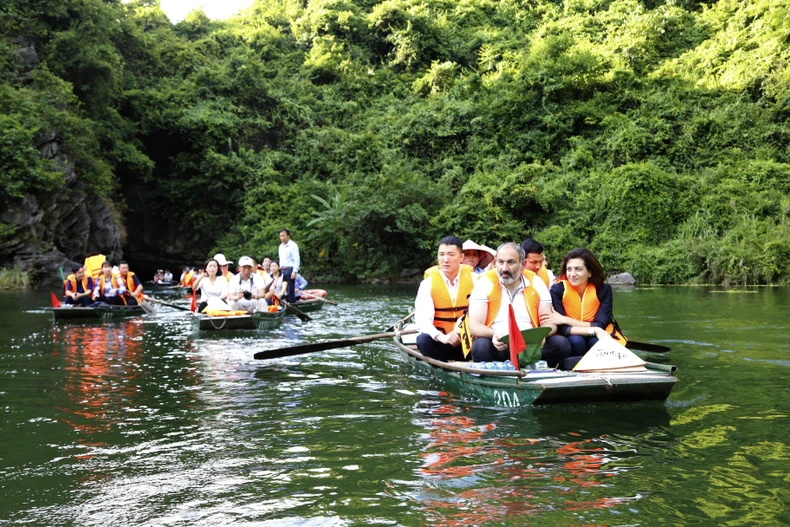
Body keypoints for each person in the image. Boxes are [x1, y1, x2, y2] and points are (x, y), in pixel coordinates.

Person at [467, 242, 571, 368]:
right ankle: (495, 377)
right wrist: (493, 334)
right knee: (481, 346)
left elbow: (550, 322)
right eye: (500, 262)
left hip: (530, 346)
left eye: (511, 262)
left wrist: (541, 335)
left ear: (523, 265)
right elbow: (474, 325)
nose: (504, 268)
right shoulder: (485, 282)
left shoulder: (536, 282)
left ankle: (538, 373)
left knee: (561, 344)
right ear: (495, 263)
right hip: (499, 344)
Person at [540, 247, 625, 359]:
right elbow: (563, 329)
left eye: (578, 269)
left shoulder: (604, 289)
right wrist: (594, 330)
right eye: (569, 269)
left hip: (600, 332)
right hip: (573, 334)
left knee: (597, 342)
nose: (572, 274)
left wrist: (564, 319)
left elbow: (600, 325)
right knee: (577, 341)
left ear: (589, 272)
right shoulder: (557, 290)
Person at [414, 236, 476, 362]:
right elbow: (423, 320)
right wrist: (442, 337)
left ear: (461, 258)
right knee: (423, 340)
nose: (445, 260)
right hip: (443, 340)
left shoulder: (476, 280)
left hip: (469, 340)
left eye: (451, 255)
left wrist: (461, 332)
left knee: (484, 344)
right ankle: (444, 367)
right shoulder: (427, 284)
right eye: (441, 254)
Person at [278, 229, 300, 303]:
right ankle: (282, 302)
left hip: (289, 269)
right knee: (282, 288)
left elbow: (296, 259)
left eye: (284, 236)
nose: (282, 237)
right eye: (281, 236)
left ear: (288, 236)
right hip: (282, 269)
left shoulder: (293, 245)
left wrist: (294, 271)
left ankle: (292, 303)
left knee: (290, 289)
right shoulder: (280, 246)